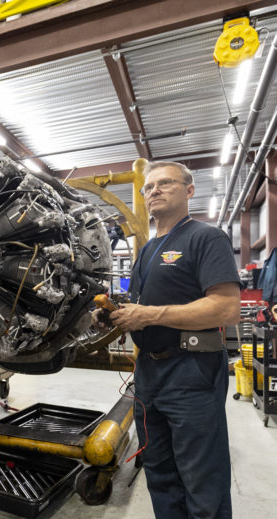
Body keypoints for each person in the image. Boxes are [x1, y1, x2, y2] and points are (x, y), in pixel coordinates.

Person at [93, 161, 240, 518]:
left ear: (189, 191)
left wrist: (150, 315)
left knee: (200, 474)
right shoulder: (146, 251)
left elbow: (226, 308)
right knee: (158, 471)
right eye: (148, 186)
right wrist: (116, 314)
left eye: (165, 183)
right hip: (150, 374)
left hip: (191, 370)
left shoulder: (205, 237)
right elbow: (141, 307)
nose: (154, 190)